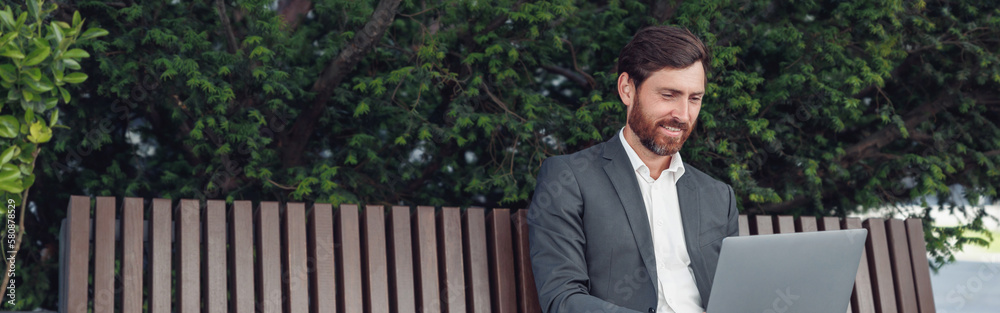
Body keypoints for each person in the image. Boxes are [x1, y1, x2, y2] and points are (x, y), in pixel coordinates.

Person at [527, 25, 739, 313]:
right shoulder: (569, 179)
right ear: (627, 89)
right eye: (669, 95)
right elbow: (563, 299)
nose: (683, 115)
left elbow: (733, 296)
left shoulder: (719, 197)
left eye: (694, 99)